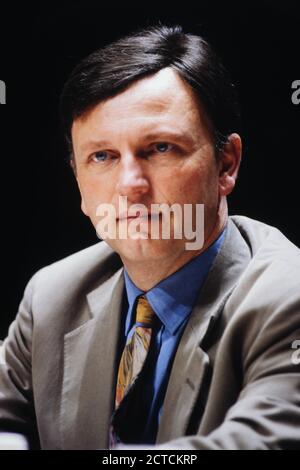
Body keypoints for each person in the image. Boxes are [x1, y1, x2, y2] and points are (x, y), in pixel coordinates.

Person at [0, 25, 299, 450]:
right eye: (102, 156)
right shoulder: (51, 295)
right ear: (78, 181)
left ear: (226, 165)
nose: (130, 185)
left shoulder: (289, 297)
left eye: (160, 148)